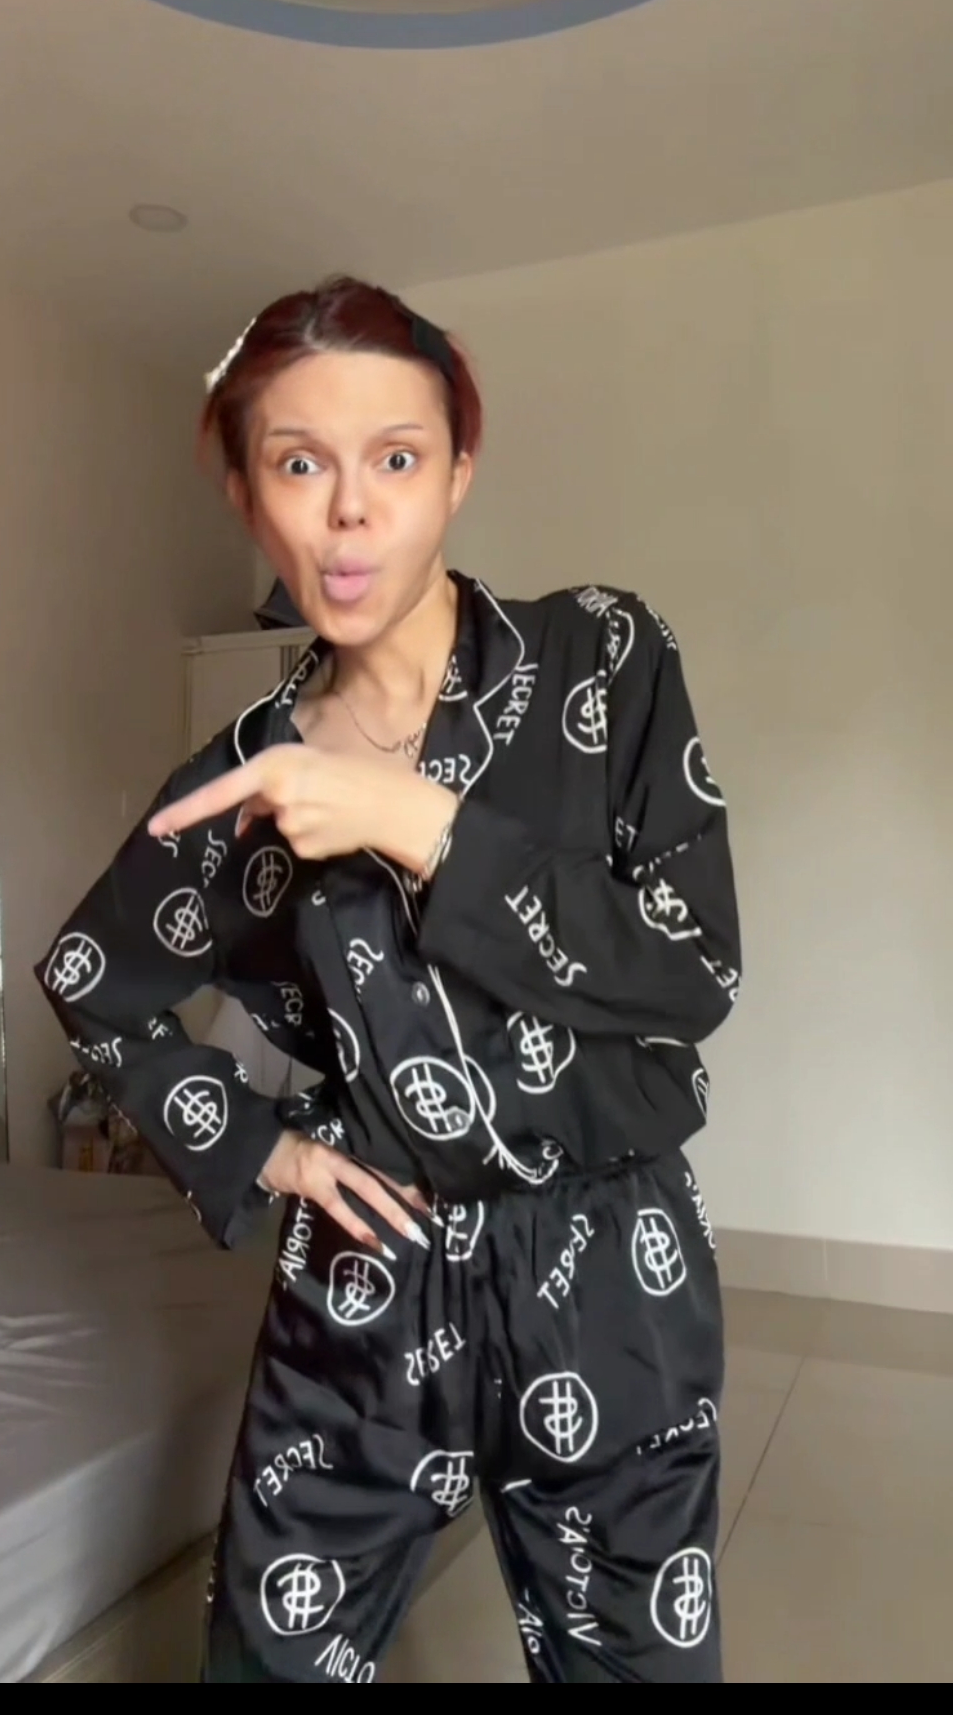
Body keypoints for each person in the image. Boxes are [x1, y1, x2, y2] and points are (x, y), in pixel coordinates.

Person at [36, 276, 741, 1685]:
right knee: (270, 1659)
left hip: (608, 1265)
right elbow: (90, 976)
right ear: (248, 495)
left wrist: (415, 821)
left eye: (397, 458)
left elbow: (690, 964)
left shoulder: (602, 658)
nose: (350, 511)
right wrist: (265, 1150)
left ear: (459, 471)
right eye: (300, 464)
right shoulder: (240, 782)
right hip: (369, 1270)